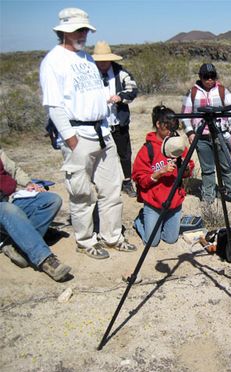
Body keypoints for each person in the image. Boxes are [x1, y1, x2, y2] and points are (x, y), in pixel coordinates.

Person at [39, 7, 136, 260]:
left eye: (84, 29)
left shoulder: (88, 60)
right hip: (78, 134)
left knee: (112, 188)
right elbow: (54, 105)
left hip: (103, 131)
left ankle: (112, 236)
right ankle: (85, 240)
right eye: (77, 30)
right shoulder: (53, 61)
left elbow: (95, 94)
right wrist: (70, 138)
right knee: (82, 193)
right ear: (63, 31)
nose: (82, 34)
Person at [0, 148, 71, 281]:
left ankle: (15, 246)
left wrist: (29, 183)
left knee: (52, 200)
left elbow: (14, 170)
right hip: (4, 207)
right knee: (9, 210)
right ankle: (45, 259)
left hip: (9, 198)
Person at [181, 63, 231, 206]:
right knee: (207, 169)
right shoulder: (192, 93)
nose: (209, 80)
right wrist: (190, 132)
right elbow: (185, 115)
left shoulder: (223, 91)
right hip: (201, 137)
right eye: (206, 77)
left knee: (227, 166)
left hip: (221, 134)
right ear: (200, 77)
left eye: (212, 76)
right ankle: (208, 196)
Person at [132, 106, 194, 247]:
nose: (170, 133)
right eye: (167, 128)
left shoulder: (177, 144)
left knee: (171, 239)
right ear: (158, 125)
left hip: (174, 201)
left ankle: (161, 221)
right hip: (153, 202)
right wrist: (159, 173)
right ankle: (140, 220)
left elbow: (188, 169)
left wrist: (186, 168)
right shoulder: (147, 149)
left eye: (173, 129)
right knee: (152, 242)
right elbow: (139, 178)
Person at [92, 41, 139, 198]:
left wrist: (120, 97)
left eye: (105, 60)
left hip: (119, 122)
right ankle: (104, 185)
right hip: (99, 124)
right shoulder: (90, 74)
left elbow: (132, 90)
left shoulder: (121, 73)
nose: (103, 63)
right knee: (101, 155)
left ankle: (127, 182)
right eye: (100, 60)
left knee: (124, 153)